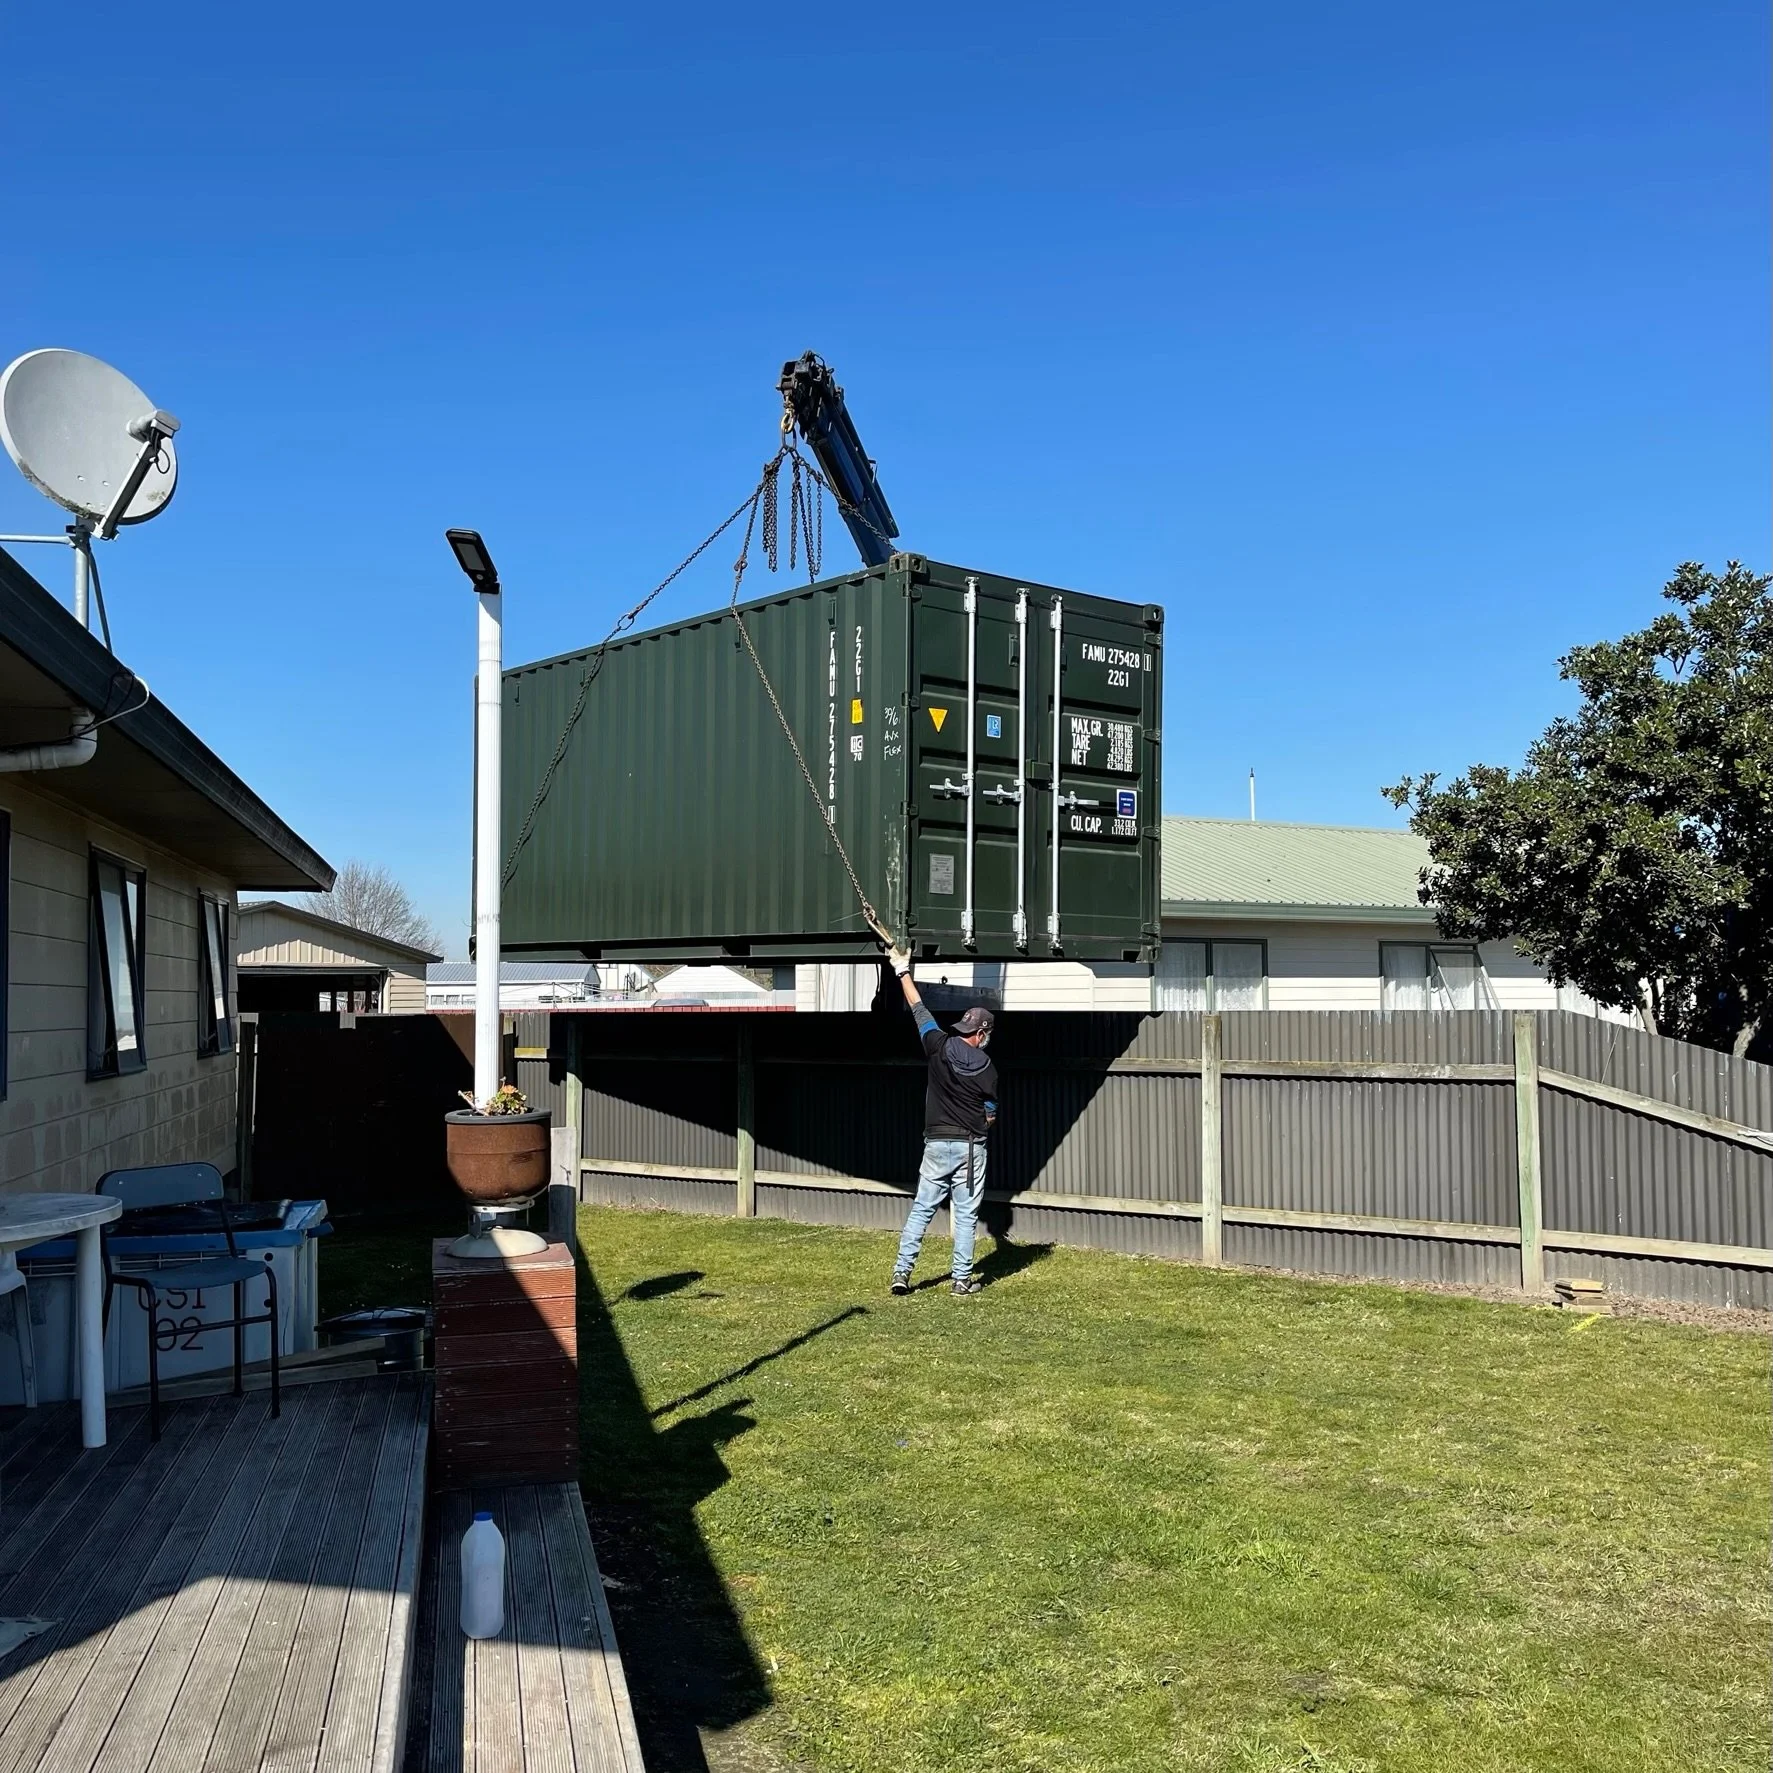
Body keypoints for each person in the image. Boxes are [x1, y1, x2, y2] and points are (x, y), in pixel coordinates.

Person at [885, 944, 998, 1296]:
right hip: (970, 1148)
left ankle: (901, 1274)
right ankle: (961, 1280)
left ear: (965, 1028)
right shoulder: (987, 1068)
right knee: (965, 1215)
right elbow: (990, 1113)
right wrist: (983, 1124)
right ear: (981, 1034)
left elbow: (918, 1009)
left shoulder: (937, 1045)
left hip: (935, 1144)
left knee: (922, 1208)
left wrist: (902, 970)